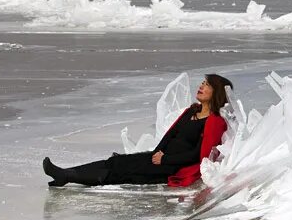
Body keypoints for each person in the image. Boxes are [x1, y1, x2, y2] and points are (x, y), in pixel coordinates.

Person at [43, 74, 233, 188]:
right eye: (202, 82)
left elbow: (199, 155)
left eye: (207, 85)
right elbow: (171, 135)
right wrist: (155, 154)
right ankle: (65, 173)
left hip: (173, 167)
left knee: (123, 172)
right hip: (159, 158)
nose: (201, 86)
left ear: (217, 93)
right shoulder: (192, 111)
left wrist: (164, 160)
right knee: (117, 161)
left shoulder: (215, 121)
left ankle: (66, 176)